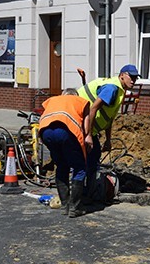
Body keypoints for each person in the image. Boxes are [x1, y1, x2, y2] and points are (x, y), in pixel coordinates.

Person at [77, 64, 141, 201]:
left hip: (86, 126)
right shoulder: (112, 88)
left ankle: (84, 193)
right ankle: (85, 195)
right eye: (131, 77)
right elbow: (93, 108)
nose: (133, 81)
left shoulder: (119, 90)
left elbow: (108, 117)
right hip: (81, 124)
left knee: (91, 157)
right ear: (122, 75)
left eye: (135, 78)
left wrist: (108, 139)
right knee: (90, 158)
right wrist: (88, 134)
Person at [38, 88, 93, 218]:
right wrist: (88, 137)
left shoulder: (52, 100)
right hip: (67, 131)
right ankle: (75, 207)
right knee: (79, 168)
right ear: (75, 95)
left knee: (62, 165)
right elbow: (86, 125)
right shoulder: (81, 101)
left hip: (45, 132)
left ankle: (64, 205)